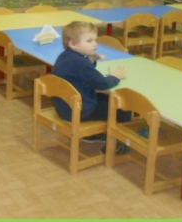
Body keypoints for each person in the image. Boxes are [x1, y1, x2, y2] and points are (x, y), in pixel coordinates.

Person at [51, 21, 131, 154]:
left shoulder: (66, 56)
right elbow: (102, 83)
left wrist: (90, 61)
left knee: (106, 98)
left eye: (95, 40)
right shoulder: (80, 63)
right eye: (89, 41)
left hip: (65, 107)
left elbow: (81, 74)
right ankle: (120, 143)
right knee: (123, 105)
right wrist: (115, 77)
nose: (95, 44)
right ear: (73, 44)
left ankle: (93, 135)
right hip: (79, 110)